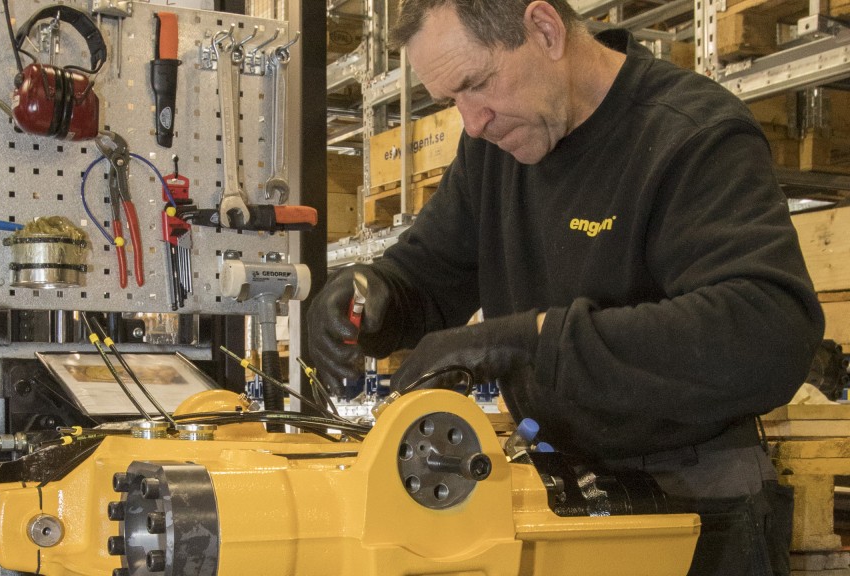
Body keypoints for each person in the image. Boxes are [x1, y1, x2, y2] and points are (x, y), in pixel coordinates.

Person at [307, 1, 825, 574]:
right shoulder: (492, 148)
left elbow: (766, 332)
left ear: (546, 31)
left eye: (476, 85)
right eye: (452, 101)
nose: (472, 121)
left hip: (698, 503)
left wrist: (535, 341)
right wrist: (371, 293)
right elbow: (429, 274)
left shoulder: (690, 133)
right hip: (563, 489)